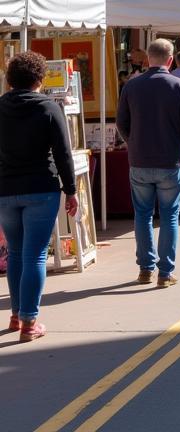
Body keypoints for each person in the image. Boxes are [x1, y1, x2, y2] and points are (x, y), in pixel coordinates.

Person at [0, 51, 79, 341]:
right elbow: (63, 153)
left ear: (10, 80)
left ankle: (15, 315)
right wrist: (71, 191)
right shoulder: (48, 107)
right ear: (40, 79)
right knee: (34, 255)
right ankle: (29, 322)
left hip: (6, 188)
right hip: (41, 187)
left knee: (16, 254)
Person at [116, 39, 180, 288]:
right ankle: (165, 271)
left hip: (140, 160)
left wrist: (133, 141)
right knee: (169, 216)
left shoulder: (132, 86)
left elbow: (122, 122)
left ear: (147, 60)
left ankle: (145, 268)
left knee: (142, 215)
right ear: (170, 60)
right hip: (170, 160)